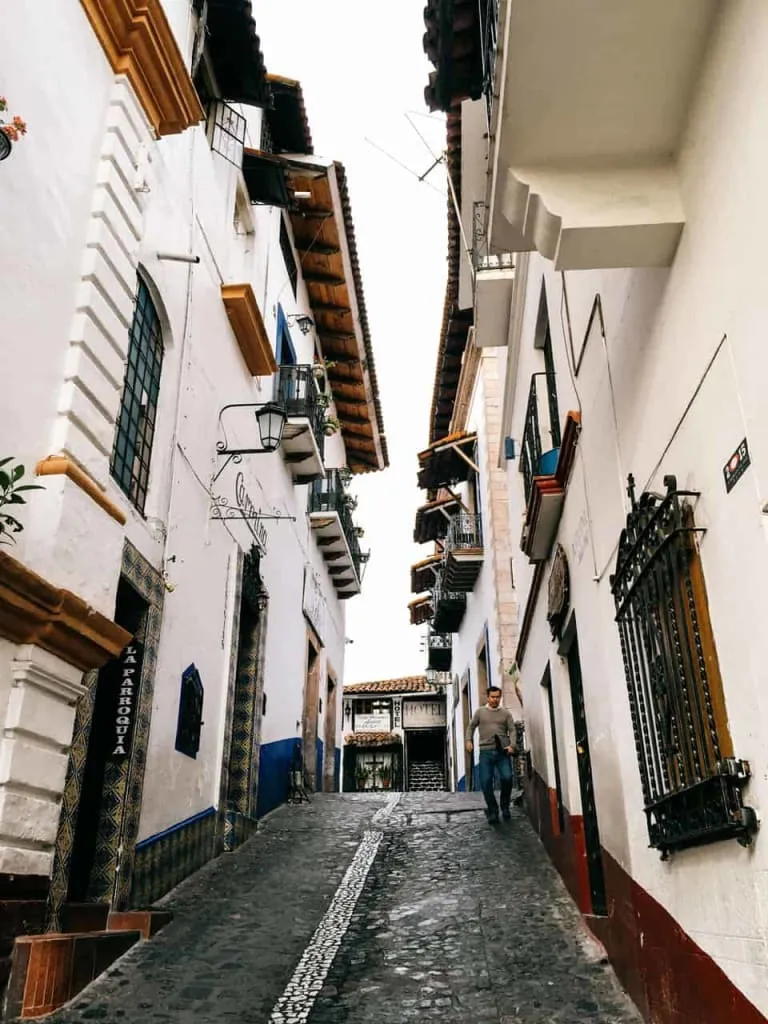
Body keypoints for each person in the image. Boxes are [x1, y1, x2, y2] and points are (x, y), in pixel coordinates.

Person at [465, 686, 516, 824]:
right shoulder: (480, 712)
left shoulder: (506, 714)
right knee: (486, 782)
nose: (495, 699)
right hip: (485, 752)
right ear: (488, 697)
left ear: (500, 697)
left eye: (497, 697)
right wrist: (468, 740)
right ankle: (493, 810)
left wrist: (512, 745)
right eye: (492, 697)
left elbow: (512, 729)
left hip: (502, 752)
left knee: (507, 778)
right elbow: (471, 726)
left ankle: (505, 806)